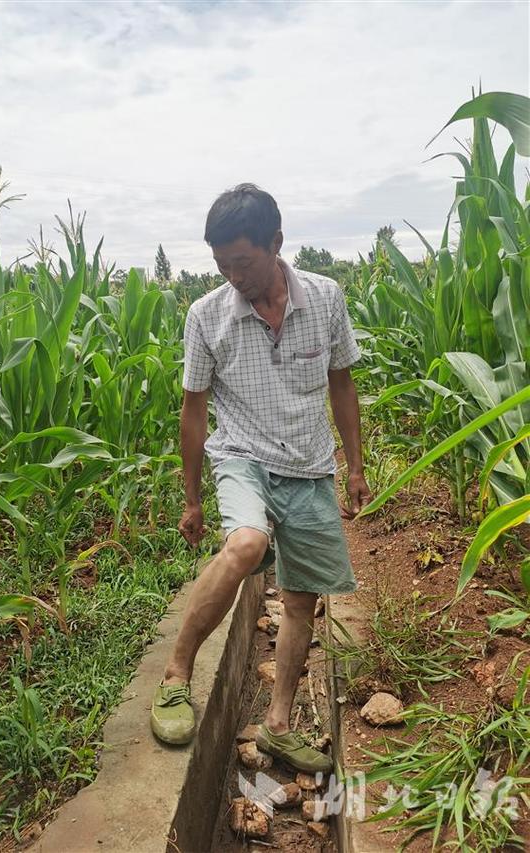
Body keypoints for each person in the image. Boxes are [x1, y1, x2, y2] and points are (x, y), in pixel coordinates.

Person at [150, 183, 372, 773]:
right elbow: (194, 409)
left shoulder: (325, 299)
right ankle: (176, 675)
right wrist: (192, 498)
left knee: (300, 600)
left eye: (242, 263)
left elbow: (342, 385)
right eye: (222, 265)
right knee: (246, 543)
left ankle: (277, 726)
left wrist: (355, 465)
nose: (232, 276)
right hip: (242, 453)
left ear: (277, 243)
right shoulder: (207, 315)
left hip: (309, 462)